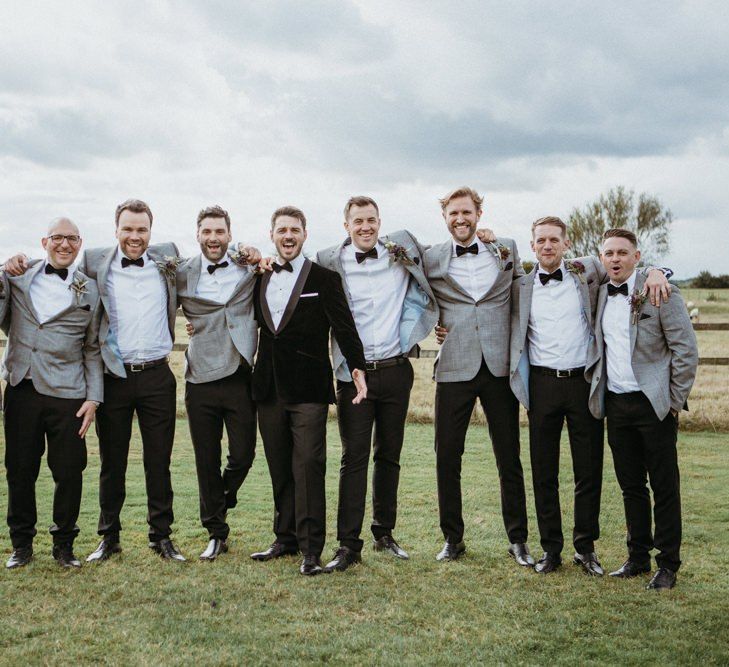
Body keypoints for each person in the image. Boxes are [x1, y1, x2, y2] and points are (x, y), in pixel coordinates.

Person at [509, 216, 671, 575]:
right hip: (541, 385)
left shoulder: (589, 272)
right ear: (532, 246)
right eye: (541, 241)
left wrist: (660, 270)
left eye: (554, 240)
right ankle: (551, 550)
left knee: (589, 470)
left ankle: (586, 548)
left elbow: (629, 265)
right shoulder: (520, 286)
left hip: (585, 383)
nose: (547, 246)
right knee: (544, 473)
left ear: (567, 245)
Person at [315, 196, 438, 572]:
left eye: (371, 220)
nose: (365, 227)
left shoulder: (401, 251)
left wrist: (487, 234)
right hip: (353, 376)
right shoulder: (327, 261)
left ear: (379, 221)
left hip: (395, 369)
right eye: (358, 221)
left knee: (389, 455)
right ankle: (348, 545)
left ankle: (384, 532)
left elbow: (450, 255)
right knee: (354, 458)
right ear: (346, 225)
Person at [250, 205, 367, 576]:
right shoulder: (259, 276)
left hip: (309, 389)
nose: (288, 236)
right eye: (282, 230)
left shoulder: (324, 277)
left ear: (304, 234)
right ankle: (283, 538)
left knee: (309, 466)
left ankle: (311, 550)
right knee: (279, 466)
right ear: (272, 235)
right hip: (268, 387)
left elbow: (344, 326)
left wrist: (357, 366)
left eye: (294, 230)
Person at [423, 186, 532, 565]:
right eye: (453, 213)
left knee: (509, 456)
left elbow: (525, 291)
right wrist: (433, 322)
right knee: (447, 456)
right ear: (445, 217)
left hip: (500, 366)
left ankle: (518, 539)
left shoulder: (506, 249)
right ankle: (453, 539)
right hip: (454, 364)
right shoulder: (430, 256)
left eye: (466, 212)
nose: (460, 219)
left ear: (478, 214)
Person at [588, 228, 698, 590]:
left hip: (655, 406)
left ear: (637, 257)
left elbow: (685, 350)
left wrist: (673, 401)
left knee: (665, 486)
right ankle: (637, 557)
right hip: (616, 405)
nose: (615, 259)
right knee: (630, 486)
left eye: (622, 252)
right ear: (602, 259)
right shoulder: (600, 294)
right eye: (609, 253)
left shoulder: (660, 291)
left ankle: (668, 565)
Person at [2, 217, 102, 569]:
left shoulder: (89, 288)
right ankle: (21, 545)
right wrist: (3, 267)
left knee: (70, 470)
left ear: (79, 243)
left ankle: (64, 544)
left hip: (69, 394)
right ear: (44, 241)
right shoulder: (17, 276)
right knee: (20, 469)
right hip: (22, 387)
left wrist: (93, 398)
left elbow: (92, 347)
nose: (64, 244)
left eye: (71, 239)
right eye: (57, 238)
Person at [177, 205, 260, 561]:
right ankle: (216, 531)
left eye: (220, 232)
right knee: (205, 459)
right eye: (207, 232)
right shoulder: (180, 273)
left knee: (244, 454)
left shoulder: (248, 267)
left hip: (240, 374)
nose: (213, 238)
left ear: (229, 234)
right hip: (200, 378)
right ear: (197, 234)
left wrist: (251, 249)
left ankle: (222, 498)